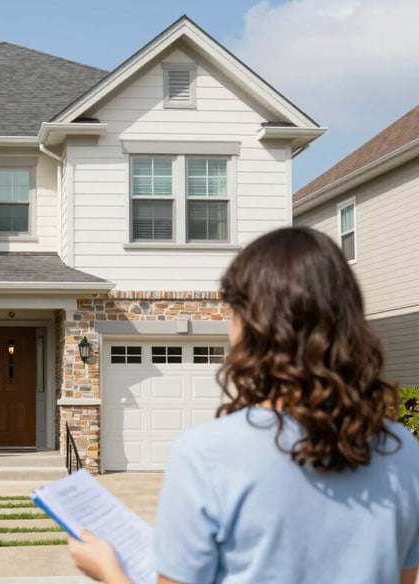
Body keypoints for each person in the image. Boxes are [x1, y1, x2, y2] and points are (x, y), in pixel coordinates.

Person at [69, 226, 419, 584]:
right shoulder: (405, 452)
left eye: (232, 311)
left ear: (254, 325)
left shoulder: (206, 454)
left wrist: (108, 570)